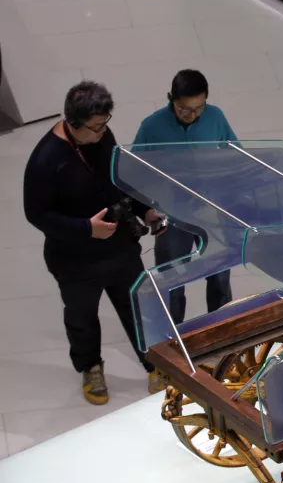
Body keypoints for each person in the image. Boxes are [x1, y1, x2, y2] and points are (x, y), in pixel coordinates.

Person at [23, 81, 168, 405]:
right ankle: (90, 367)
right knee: (82, 316)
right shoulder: (46, 160)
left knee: (137, 308)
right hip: (75, 259)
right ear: (73, 124)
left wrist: (144, 210)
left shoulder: (102, 137)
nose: (103, 132)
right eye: (96, 127)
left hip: (120, 248)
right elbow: (35, 214)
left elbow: (119, 179)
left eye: (106, 123)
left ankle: (154, 363)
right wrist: (85, 228)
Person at [133, 69, 237, 324]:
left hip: (211, 211)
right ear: (172, 100)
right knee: (172, 278)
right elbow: (134, 171)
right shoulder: (152, 127)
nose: (192, 115)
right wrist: (146, 209)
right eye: (184, 109)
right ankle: (173, 335)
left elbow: (234, 155)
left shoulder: (215, 117)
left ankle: (221, 329)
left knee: (220, 274)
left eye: (199, 108)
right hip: (172, 215)